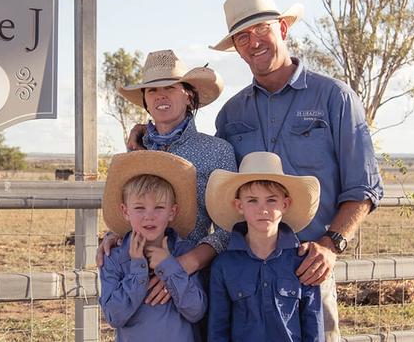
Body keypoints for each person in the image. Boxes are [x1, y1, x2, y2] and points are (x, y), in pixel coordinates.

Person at [209, 0, 385, 341]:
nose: (254, 42)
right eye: (242, 37)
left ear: (283, 30)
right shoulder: (231, 114)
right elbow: (210, 174)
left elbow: (364, 187)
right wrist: (149, 138)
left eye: (262, 30)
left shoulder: (334, 98)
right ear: (237, 48)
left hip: (309, 270)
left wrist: (331, 244)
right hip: (244, 275)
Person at [98, 50, 237, 306]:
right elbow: (131, 209)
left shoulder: (218, 151)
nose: (160, 95)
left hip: (195, 281)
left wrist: (184, 264)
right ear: (145, 102)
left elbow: (230, 228)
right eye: (151, 91)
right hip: (138, 278)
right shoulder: (136, 152)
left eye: (170, 87)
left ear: (188, 95)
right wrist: (113, 234)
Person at [205, 151, 324, 342]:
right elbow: (218, 327)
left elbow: (313, 324)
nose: (263, 209)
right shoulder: (224, 265)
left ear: (285, 204)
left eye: (271, 200)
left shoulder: (301, 260)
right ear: (239, 205)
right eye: (252, 200)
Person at [99, 150, 207, 342]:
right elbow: (114, 316)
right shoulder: (114, 258)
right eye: (139, 208)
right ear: (125, 211)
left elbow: (196, 311)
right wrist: (138, 269)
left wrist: (169, 267)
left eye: (159, 207)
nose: (149, 216)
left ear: (172, 212)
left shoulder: (186, 252)